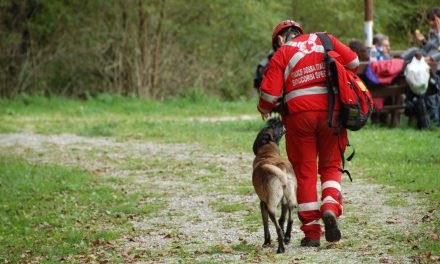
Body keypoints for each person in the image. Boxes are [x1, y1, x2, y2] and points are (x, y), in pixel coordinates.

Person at [257, 20, 359, 247]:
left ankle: (312, 235)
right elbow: (354, 62)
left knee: (305, 173)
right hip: (332, 113)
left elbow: (269, 97)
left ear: (281, 39)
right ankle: (330, 207)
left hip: (299, 117)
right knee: (331, 166)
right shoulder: (324, 38)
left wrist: (263, 108)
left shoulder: (283, 51)